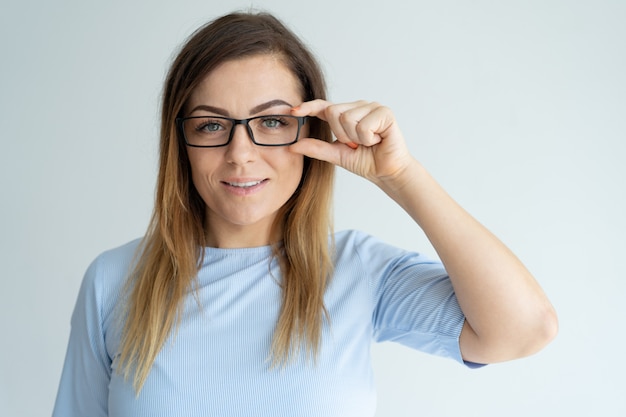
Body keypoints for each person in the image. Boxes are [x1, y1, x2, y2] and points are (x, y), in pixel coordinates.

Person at [52, 11, 557, 417]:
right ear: (179, 141)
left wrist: (400, 175)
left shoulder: (358, 271)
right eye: (211, 126)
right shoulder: (115, 281)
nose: (240, 153)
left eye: (271, 121)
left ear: (311, 133)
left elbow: (526, 328)